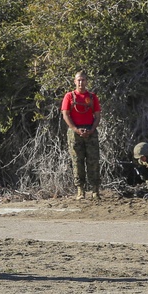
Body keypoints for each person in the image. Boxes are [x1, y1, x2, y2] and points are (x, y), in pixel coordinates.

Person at [61, 71, 101, 199]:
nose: (81, 82)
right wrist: (75, 129)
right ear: (74, 81)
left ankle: (95, 190)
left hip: (91, 131)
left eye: (83, 80)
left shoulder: (92, 97)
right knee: (77, 161)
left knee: (93, 161)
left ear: (86, 81)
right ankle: (80, 190)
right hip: (75, 133)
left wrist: (92, 129)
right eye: (78, 80)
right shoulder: (69, 96)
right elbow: (65, 114)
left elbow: (98, 115)